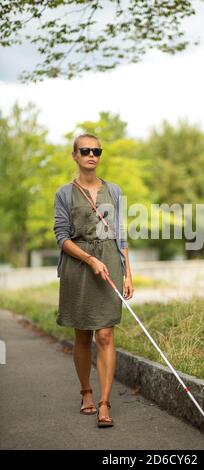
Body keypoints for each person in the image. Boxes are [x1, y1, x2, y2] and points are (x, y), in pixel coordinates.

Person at [53, 133, 134, 427]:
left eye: (96, 151)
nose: (91, 155)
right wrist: (89, 259)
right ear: (75, 155)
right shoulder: (64, 193)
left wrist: (127, 273)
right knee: (83, 334)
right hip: (78, 267)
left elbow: (121, 234)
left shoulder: (114, 190)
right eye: (85, 150)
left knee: (105, 334)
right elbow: (61, 237)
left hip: (110, 263)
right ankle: (86, 392)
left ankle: (104, 403)